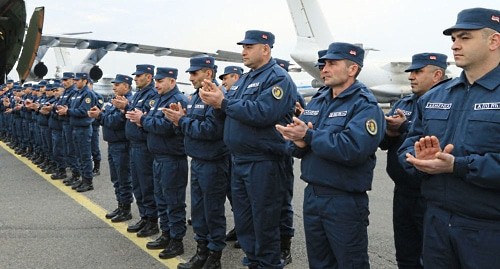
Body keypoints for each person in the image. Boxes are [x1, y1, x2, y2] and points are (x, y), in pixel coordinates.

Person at [398, 8, 500, 268]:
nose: (455, 45)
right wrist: (417, 159)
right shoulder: (435, 97)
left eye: (464, 37)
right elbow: (408, 145)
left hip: (489, 229)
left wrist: (459, 165)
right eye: (453, 39)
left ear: (494, 41)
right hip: (436, 222)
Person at [275, 42, 385, 269]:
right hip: (314, 195)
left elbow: (354, 148)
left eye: (332, 64)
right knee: (319, 262)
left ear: (352, 69)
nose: (323, 69)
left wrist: (310, 136)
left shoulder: (365, 105)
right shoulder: (318, 100)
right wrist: (296, 141)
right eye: (323, 64)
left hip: (343, 199)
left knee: (350, 262)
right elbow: (299, 146)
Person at [200, 30, 297, 269]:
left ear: (265, 49)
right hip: (240, 159)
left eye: (249, 47)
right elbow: (231, 110)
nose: (243, 51)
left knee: (264, 223)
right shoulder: (244, 79)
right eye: (243, 46)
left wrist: (223, 102)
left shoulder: (277, 78)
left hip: (263, 161)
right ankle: (254, 262)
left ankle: (267, 264)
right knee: (245, 223)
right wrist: (216, 102)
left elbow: (264, 112)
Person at [379, 52, 448, 269]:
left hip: (431, 193)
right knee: (406, 251)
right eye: (410, 72)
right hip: (403, 191)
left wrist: (404, 127)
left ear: (437, 74)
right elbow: (383, 144)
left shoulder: (446, 102)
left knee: (432, 255)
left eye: (418, 72)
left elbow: (441, 139)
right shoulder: (404, 103)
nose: (411, 77)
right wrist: (390, 131)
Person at [164, 56, 229, 269]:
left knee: (212, 211)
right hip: (199, 160)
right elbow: (190, 129)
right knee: (199, 211)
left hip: (213, 162)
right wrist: (179, 120)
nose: (190, 77)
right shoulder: (195, 97)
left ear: (208, 73)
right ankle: (201, 252)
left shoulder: (215, 98)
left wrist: (182, 121)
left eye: (194, 73)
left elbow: (211, 131)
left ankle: (214, 256)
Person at [127, 67, 188, 259]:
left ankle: (176, 241)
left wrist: (143, 120)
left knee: (173, 201)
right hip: (158, 157)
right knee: (161, 199)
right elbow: (154, 122)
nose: (157, 85)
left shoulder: (176, 100)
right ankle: (166, 234)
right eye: (157, 81)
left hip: (172, 159)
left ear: (172, 81)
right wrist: (145, 121)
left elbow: (165, 126)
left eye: (161, 81)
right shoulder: (160, 100)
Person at [112, 64, 159, 238]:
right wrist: (126, 108)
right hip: (134, 145)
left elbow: (145, 116)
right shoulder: (139, 94)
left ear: (149, 77)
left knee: (147, 185)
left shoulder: (152, 95)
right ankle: (144, 216)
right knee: (138, 185)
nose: (136, 78)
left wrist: (127, 108)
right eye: (136, 76)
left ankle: (152, 221)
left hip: (144, 146)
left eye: (139, 76)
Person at [88, 74, 134, 222]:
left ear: (126, 86)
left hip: (122, 145)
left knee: (123, 178)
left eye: (117, 84)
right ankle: (120, 205)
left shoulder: (127, 101)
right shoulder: (113, 101)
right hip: (113, 144)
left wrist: (101, 117)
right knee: (116, 179)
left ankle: (126, 209)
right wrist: (101, 115)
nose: (113, 87)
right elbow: (108, 117)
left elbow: (115, 122)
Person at [217, 65, 244, 246]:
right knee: (234, 194)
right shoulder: (228, 96)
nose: (223, 82)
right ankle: (241, 227)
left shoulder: (239, 96)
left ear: (235, 76)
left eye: (226, 78)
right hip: (231, 152)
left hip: (243, 153)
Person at [57, 73, 97, 192]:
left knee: (85, 156)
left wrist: (68, 111)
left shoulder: (87, 94)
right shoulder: (76, 93)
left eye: (78, 80)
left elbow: (84, 111)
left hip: (83, 128)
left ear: (85, 81)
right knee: (78, 155)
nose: (75, 82)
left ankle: (88, 181)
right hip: (75, 127)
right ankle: (81, 178)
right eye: (74, 80)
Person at [88, 78, 104, 176]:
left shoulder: (97, 96)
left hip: (93, 125)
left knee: (94, 146)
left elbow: (97, 108)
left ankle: (96, 167)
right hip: (85, 124)